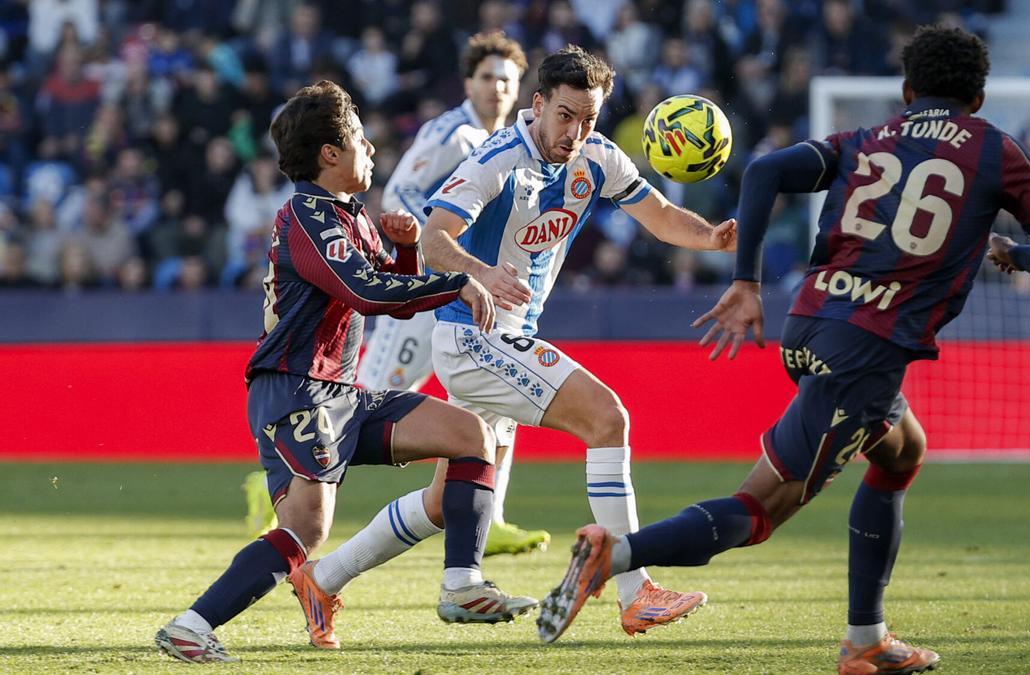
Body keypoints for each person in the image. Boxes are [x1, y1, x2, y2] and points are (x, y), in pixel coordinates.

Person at [536, 25, 1030, 675]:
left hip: (809, 323)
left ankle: (867, 637)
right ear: (979, 98)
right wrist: (1013, 251)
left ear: (908, 91)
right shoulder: (996, 149)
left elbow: (766, 169)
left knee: (902, 451)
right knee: (759, 510)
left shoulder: (870, 138)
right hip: (866, 352)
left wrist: (746, 282)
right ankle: (616, 555)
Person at [154, 81, 536, 664]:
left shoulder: (347, 216)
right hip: (295, 390)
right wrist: (457, 280)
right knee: (306, 532)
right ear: (330, 153)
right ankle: (191, 626)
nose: (372, 149)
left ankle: (462, 584)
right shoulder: (307, 217)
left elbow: (394, 293)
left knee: (471, 435)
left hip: (340, 392)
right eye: (361, 138)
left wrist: (405, 252)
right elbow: (366, 292)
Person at [415, 44, 736, 637]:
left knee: (442, 501)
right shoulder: (498, 158)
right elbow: (431, 240)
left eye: (589, 119)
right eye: (565, 116)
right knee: (607, 418)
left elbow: (661, 216)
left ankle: (325, 576)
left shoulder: (598, 157)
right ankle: (635, 591)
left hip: (508, 336)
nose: (576, 132)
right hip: (474, 335)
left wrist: (712, 238)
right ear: (538, 104)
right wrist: (481, 273)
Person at [355, 31, 551, 559]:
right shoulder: (451, 133)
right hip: (427, 288)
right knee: (371, 401)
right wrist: (437, 249)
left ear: (519, 88)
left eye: (506, 79)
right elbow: (399, 191)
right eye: (486, 77)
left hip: (473, 291)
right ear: (468, 83)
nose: (496, 88)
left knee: (498, 392)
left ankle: (494, 516)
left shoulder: (515, 144)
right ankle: (277, 481)